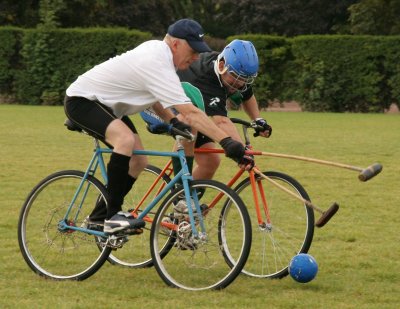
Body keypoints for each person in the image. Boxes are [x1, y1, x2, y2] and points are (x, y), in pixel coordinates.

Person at [64, 19, 253, 235]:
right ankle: (112, 216)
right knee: (124, 140)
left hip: (108, 107)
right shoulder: (156, 60)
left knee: (138, 161)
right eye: (193, 50)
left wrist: (172, 121)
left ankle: (98, 217)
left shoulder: (163, 59)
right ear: (176, 44)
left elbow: (155, 96)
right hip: (82, 100)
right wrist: (227, 142)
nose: (196, 57)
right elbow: (191, 112)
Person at [143, 39, 272, 182]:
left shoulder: (232, 69)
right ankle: (181, 194)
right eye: (236, 78)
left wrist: (258, 120)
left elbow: (247, 95)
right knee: (188, 125)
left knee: (211, 162)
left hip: (188, 109)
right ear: (222, 65)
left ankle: (192, 200)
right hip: (155, 105)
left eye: (245, 80)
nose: (240, 84)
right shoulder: (207, 78)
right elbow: (221, 122)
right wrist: (241, 151)